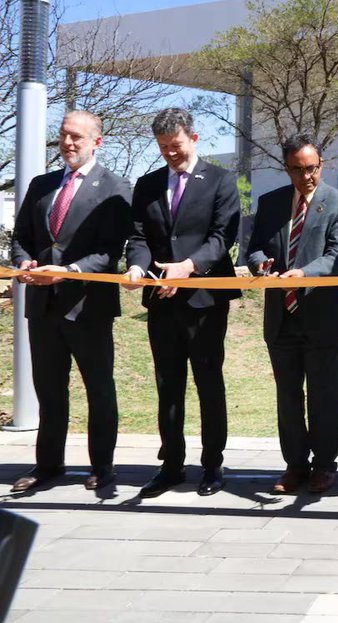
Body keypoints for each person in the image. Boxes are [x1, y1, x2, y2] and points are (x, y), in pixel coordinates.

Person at [10, 111, 131, 492]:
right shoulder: (42, 184)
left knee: (98, 388)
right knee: (48, 389)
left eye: (77, 137)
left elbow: (109, 251)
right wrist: (24, 261)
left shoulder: (115, 187)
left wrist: (65, 270)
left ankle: (103, 467)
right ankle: (47, 466)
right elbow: (21, 237)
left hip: (88, 307)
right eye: (63, 136)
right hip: (42, 306)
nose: (68, 143)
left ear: (97, 141)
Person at [122, 108, 240, 498]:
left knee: (209, 382)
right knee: (167, 385)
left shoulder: (221, 181)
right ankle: (171, 464)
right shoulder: (147, 184)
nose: (170, 154)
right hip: (160, 301)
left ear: (193, 138)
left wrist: (188, 267)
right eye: (162, 148)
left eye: (175, 146)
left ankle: (212, 465)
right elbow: (138, 236)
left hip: (204, 301)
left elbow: (222, 238)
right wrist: (138, 268)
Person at [247, 134, 338, 495]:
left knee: (326, 395)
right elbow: (255, 247)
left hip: (324, 317)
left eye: (311, 168)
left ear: (321, 165)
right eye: (297, 170)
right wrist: (259, 263)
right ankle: (295, 466)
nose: (305, 176)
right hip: (281, 318)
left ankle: (325, 466)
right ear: (287, 168)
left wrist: (304, 273)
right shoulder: (270, 203)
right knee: (288, 396)